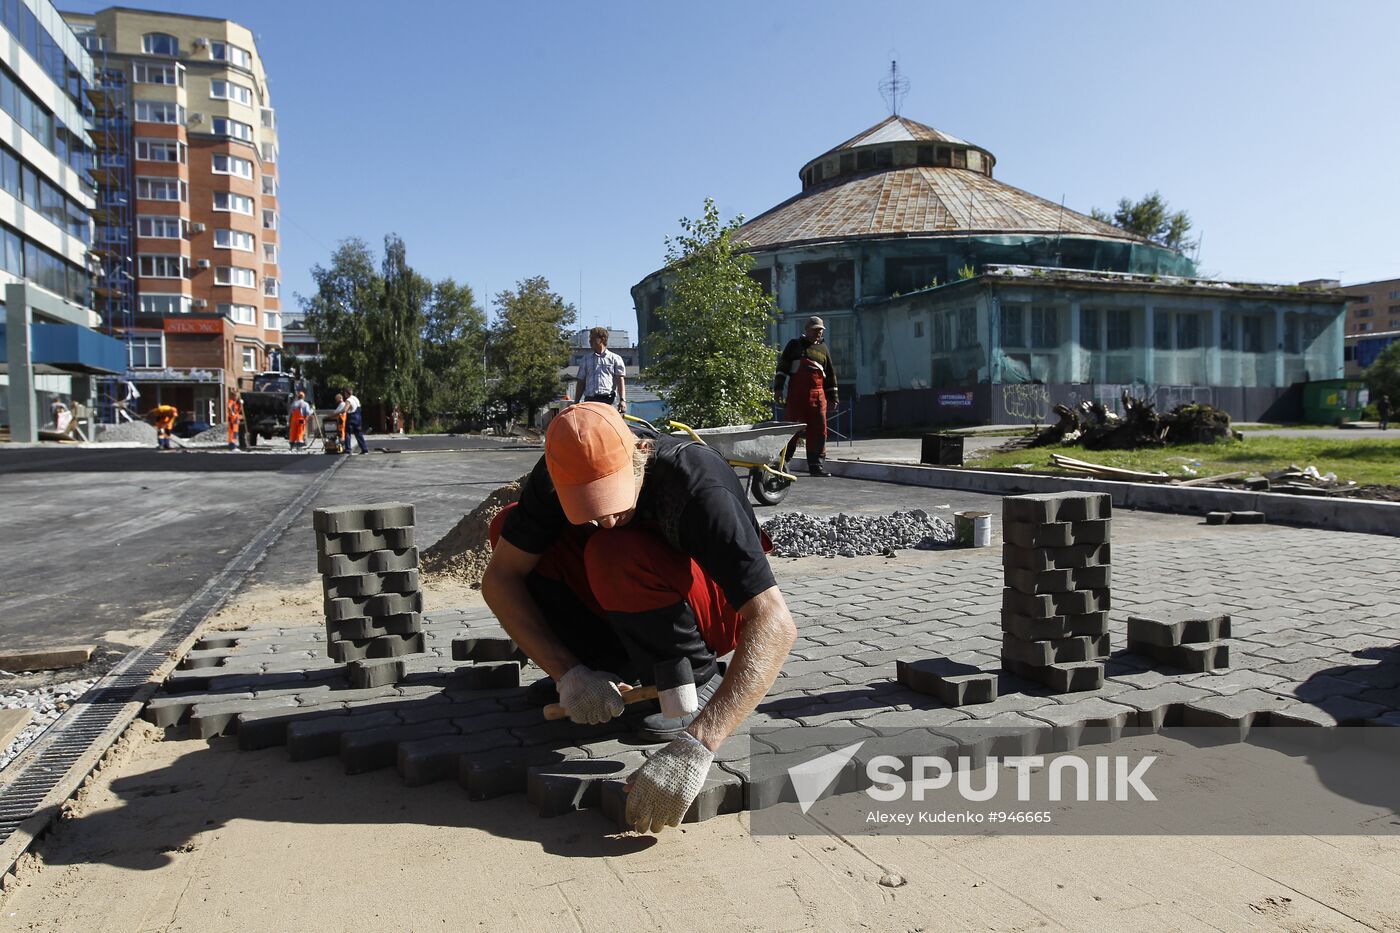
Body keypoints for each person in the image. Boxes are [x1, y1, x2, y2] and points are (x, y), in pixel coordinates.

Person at [481, 402, 796, 835]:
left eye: (611, 499)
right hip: (626, 594)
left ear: (640, 453)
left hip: (711, 612)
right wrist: (568, 673)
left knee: (611, 549)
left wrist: (699, 745)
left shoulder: (697, 484)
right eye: (589, 508)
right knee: (510, 531)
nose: (606, 518)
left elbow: (775, 623)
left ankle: (697, 680)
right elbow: (499, 581)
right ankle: (606, 668)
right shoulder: (552, 478)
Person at [775, 316, 839, 477]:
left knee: (818, 430)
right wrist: (778, 389)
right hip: (796, 396)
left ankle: (816, 466)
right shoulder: (794, 345)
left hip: (818, 397)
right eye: (815, 330)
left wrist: (833, 397)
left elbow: (830, 375)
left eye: (821, 330)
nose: (818, 333)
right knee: (791, 429)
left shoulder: (823, 349)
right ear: (807, 330)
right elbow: (782, 368)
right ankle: (782, 464)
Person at [573, 326, 627, 412]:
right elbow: (581, 381)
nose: (590, 341)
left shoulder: (615, 358)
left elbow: (620, 380)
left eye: (593, 338)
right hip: (590, 400)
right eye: (590, 339)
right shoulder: (585, 359)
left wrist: (622, 400)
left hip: (608, 400)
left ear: (602, 339)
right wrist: (576, 402)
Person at [342, 386, 369, 455]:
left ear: (346, 393)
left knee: (347, 433)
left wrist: (340, 412)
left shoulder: (348, 400)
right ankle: (364, 449)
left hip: (351, 417)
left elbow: (345, 409)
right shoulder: (355, 398)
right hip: (358, 417)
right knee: (358, 433)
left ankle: (348, 449)